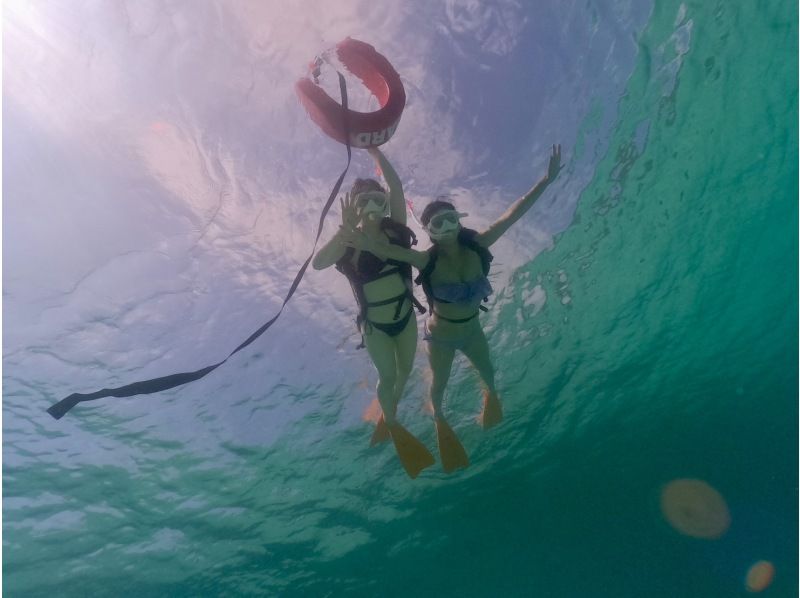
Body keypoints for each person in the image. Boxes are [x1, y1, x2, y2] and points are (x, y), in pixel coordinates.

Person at [341, 144, 563, 473]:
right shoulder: (426, 259)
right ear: (428, 232)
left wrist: (545, 181)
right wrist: (365, 241)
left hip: (473, 331)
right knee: (439, 388)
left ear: (459, 221)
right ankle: (439, 419)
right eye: (436, 226)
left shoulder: (480, 244)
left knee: (490, 376)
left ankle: (489, 398)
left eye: (448, 221)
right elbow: (396, 254)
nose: (444, 230)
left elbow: (513, 215)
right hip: (441, 336)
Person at [312, 147, 434, 479]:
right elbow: (319, 263)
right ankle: (392, 421)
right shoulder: (347, 242)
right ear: (352, 206)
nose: (373, 207)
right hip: (376, 327)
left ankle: (385, 412)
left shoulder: (395, 230)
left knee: (406, 370)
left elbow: (396, 188)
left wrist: (373, 148)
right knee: (389, 376)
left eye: (378, 201)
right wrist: (344, 231)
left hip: (406, 317)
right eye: (364, 201)